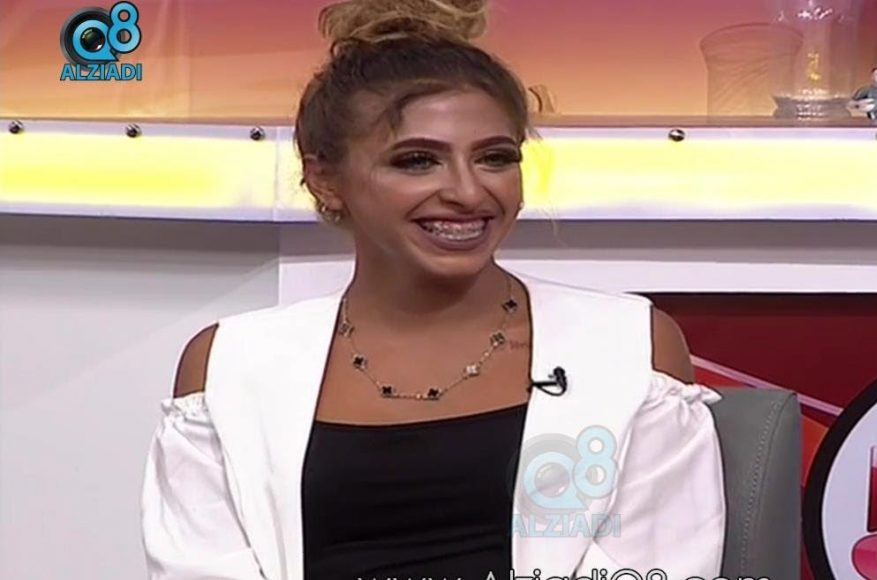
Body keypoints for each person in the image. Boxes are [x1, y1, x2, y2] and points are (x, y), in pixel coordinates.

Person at [139, 1, 726, 579]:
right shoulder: (231, 365)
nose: (468, 193)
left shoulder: (626, 346)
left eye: (495, 158)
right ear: (325, 178)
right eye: (418, 161)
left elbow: (657, 564)